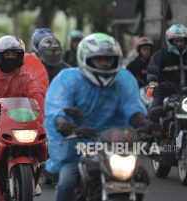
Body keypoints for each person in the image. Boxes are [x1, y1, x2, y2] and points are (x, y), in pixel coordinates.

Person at [44, 33, 154, 201]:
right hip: (77, 145)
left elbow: (131, 106)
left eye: (108, 60)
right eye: (98, 59)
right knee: (67, 182)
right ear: (85, 59)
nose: (104, 64)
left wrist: (143, 122)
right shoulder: (68, 79)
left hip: (115, 143)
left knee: (139, 176)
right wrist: (63, 123)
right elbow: (57, 106)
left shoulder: (122, 80)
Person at [0, 35, 48, 193]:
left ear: (21, 56)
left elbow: (36, 92)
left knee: (44, 140)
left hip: (22, 116)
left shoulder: (26, 75)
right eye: (7, 54)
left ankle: (35, 174)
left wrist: (45, 111)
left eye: (15, 54)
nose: (11, 58)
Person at [147, 24, 187, 127]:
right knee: (154, 111)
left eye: (182, 41)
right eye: (176, 41)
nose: (180, 44)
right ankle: (152, 138)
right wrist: (153, 79)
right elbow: (153, 68)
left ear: (186, 41)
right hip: (165, 92)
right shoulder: (161, 55)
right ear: (170, 41)